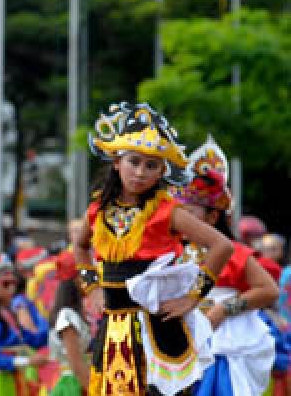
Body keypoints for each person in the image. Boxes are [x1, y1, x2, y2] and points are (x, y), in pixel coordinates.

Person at [73, 102, 234, 396]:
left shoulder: (167, 211)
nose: (140, 172)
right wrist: (91, 286)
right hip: (114, 327)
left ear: (162, 171)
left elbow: (222, 245)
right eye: (134, 161)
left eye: (151, 165)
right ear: (116, 162)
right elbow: (80, 246)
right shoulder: (98, 209)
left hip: (154, 327)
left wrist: (192, 297)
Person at [171, 135, 279, 396]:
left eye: (190, 213)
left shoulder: (234, 252)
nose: (182, 220)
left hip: (223, 342)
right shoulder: (169, 252)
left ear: (212, 216)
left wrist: (222, 310)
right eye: (178, 212)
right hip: (178, 342)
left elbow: (269, 290)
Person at [0, 254, 50, 396]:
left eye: (13, 283)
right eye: (5, 284)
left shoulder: (9, 314)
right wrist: (27, 360)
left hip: (15, 382)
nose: (12, 288)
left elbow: (31, 340)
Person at [45, 251, 90, 396]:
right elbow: (76, 364)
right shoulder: (67, 316)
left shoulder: (71, 315)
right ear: (76, 279)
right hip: (73, 385)